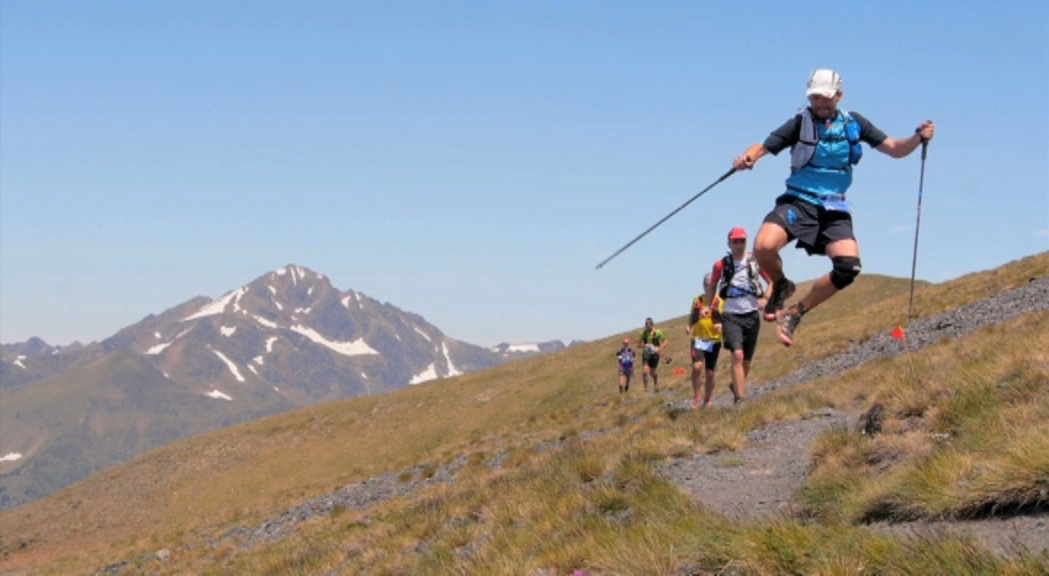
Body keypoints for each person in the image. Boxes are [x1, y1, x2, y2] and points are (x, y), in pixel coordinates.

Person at [732, 68, 935, 347]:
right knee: (763, 247)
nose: (820, 103)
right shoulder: (799, 123)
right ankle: (780, 284)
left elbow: (895, 149)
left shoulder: (854, 123)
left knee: (848, 267)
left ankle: (795, 312)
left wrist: (917, 138)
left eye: (826, 97)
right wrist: (748, 157)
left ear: (839, 95)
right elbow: (764, 146)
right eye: (815, 97)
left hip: (834, 207)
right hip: (798, 200)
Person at [703, 228, 771, 404]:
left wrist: (765, 298)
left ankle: (736, 386)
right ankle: (740, 400)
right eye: (735, 241)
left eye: (742, 241)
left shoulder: (755, 261)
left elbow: (772, 282)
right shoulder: (721, 265)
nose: (739, 245)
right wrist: (708, 306)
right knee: (737, 355)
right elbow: (712, 287)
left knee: (747, 361)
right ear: (729, 244)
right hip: (731, 315)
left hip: (752, 314)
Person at [686, 273, 722, 408]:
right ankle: (697, 397)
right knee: (697, 367)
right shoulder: (697, 300)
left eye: (712, 284)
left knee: (710, 372)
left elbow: (725, 318)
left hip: (714, 340)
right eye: (707, 284)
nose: (710, 287)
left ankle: (707, 400)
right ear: (704, 285)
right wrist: (689, 326)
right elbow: (692, 316)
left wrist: (721, 326)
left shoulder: (720, 301)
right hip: (698, 339)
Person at [637, 317, 666, 392]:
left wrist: (659, 348)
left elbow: (665, 341)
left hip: (655, 354)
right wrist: (645, 345)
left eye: (649, 324)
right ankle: (646, 388)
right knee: (645, 371)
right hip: (646, 353)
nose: (648, 326)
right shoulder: (643, 333)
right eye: (646, 324)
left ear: (652, 324)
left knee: (652, 372)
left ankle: (655, 380)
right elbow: (638, 345)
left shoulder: (658, 332)